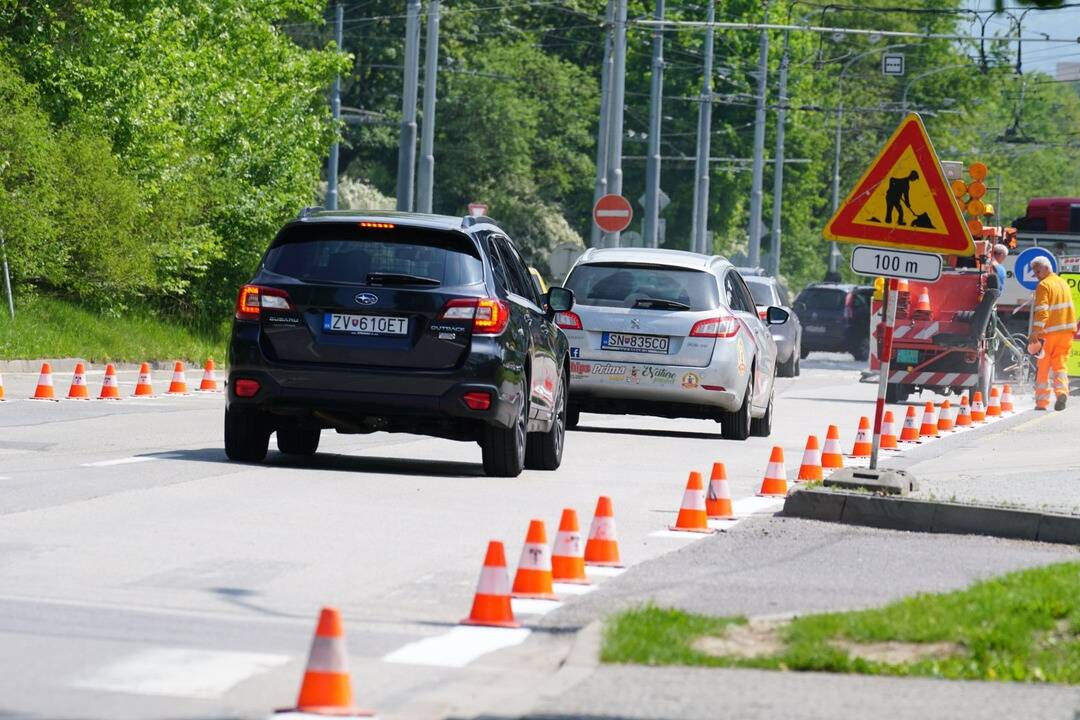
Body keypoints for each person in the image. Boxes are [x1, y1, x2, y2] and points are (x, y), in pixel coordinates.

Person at [1028, 256, 1077, 410]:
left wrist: (1036, 331)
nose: (1036, 274)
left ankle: (1042, 402)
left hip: (1048, 333)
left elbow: (1042, 311)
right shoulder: (1063, 283)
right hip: (1067, 332)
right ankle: (1062, 392)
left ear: (1047, 268)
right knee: (1060, 366)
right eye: (1034, 272)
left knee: (1043, 367)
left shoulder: (1044, 285)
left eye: (1038, 271)